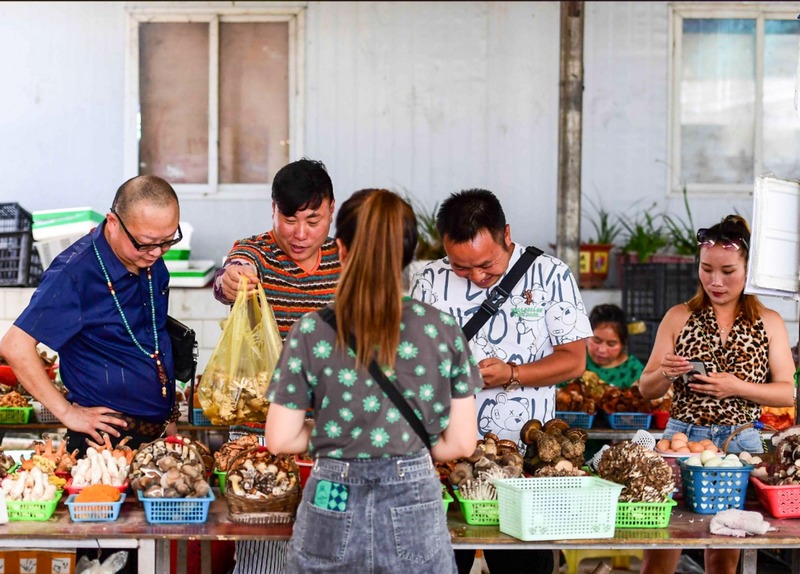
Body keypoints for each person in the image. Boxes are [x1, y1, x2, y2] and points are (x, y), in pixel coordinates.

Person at [265, 189, 480, 573]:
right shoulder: (443, 330)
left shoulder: (310, 331)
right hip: (414, 498)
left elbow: (280, 438)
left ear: (341, 249)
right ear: (409, 253)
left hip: (332, 495)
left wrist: (333, 431)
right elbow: (462, 443)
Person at [410, 188, 592, 574]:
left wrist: (512, 374)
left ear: (506, 234)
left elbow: (574, 361)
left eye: (486, 265)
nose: (475, 277)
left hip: (526, 468)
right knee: (441, 562)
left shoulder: (551, 275)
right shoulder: (429, 279)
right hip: (446, 463)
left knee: (523, 566)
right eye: (461, 267)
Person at [638, 215, 795, 574]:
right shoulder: (679, 317)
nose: (715, 281)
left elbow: (788, 393)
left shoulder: (768, 322)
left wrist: (735, 387)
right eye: (706, 269)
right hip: (682, 436)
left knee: (724, 554)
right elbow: (647, 390)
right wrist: (665, 372)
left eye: (728, 271)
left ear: (749, 269)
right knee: (662, 544)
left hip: (743, 442)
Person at [212, 157, 340, 574]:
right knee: (264, 555)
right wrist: (234, 278)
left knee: (332, 546)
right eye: (289, 219)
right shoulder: (255, 251)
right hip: (260, 438)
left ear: (331, 211)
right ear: (273, 211)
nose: (300, 233)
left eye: (312, 220)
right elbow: (233, 271)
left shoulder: (347, 259)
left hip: (330, 438)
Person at [0, 175, 182, 455]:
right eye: (146, 243)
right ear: (113, 222)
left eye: (168, 241)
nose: (157, 253)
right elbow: (14, 345)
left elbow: (153, 339)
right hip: (103, 442)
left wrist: (166, 416)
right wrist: (67, 413)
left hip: (155, 433)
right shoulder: (75, 273)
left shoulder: (150, 262)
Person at [586, 303, 644, 388]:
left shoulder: (634, 370)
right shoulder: (576, 360)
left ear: (623, 344)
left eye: (611, 344)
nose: (602, 350)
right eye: (596, 341)